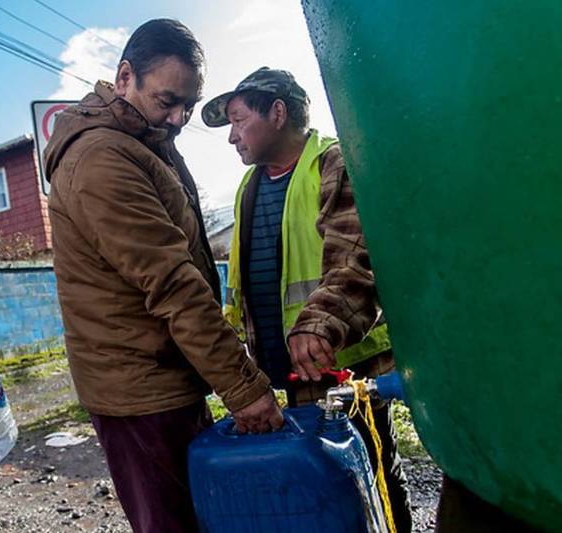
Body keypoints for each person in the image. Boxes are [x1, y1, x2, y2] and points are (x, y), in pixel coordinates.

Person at [44, 19, 283, 533]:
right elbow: (173, 283)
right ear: (125, 76)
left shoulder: (144, 140)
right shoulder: (102, 158)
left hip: (164, 374)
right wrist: (243, 388)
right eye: (167, 101)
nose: (178, 119)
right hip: (137, 391)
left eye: (188, 108)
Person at [201, 67, 412, 532]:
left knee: (372, 478)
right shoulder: (248, 187)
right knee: (318, 488)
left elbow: (356, 256)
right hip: (290, 375)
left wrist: (319, 322)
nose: (232, 137)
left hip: (345, 370)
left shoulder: (335, 162)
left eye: (238, 121)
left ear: (278, 112)